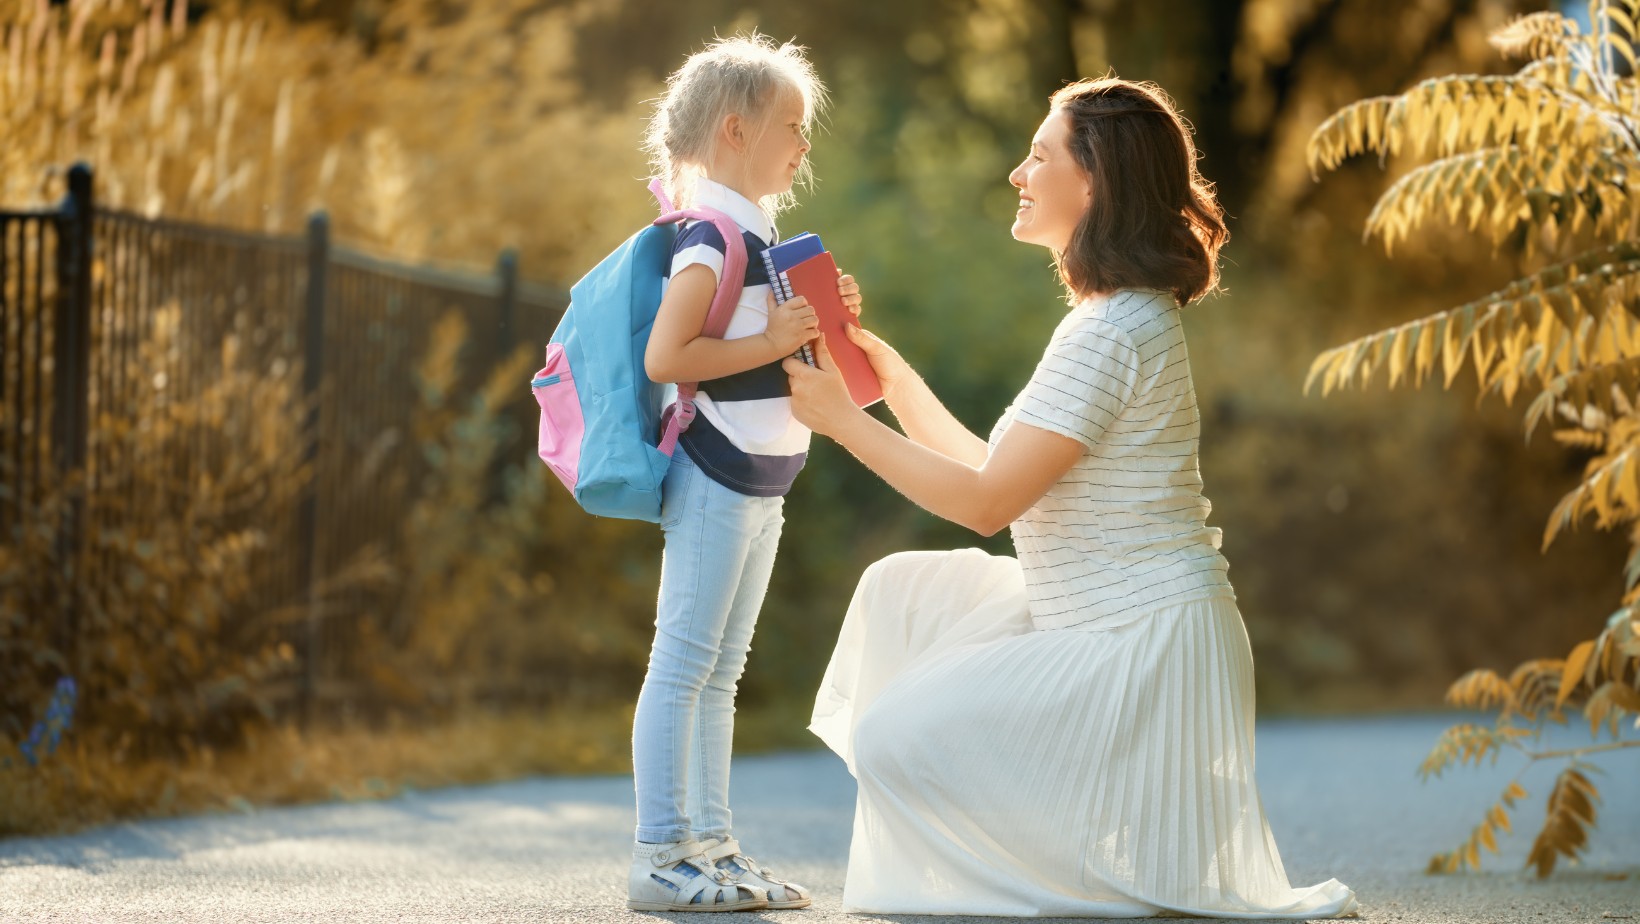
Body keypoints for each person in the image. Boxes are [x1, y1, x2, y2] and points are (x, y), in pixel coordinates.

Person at [784, 77, 1360, 918]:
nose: (1018, 174)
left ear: (1094, 183)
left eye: (1039, 156)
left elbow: (986, 505)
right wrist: (894, 383)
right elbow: (1003, 477)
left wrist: (842, 422)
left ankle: (1080, 885)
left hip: (1139, 642)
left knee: (890, 739)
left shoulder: (1113, 330)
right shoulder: (1113, 318)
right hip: (1103, 619)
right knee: (902, 591)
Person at [625, 33, 862, 913]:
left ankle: (714, 849)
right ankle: (661, 855)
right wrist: (770, 339)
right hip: (717, 474)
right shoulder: (711, 239)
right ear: (735, 130)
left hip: (765, 480)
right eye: (791, 127)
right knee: (683, 664)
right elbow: (667, 356)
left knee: (721, 672)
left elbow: (783, 351)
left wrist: (825, 317)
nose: (803, 143)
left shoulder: (760, 238)